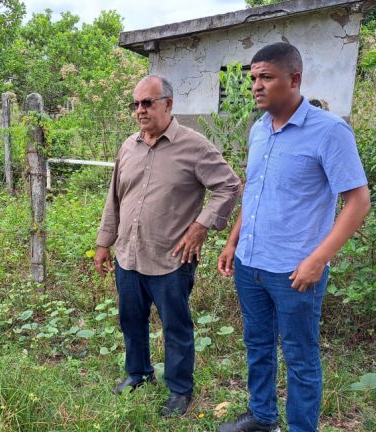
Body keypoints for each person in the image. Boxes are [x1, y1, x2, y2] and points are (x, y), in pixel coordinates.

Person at [215, 43, 371, 432]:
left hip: (295, 271)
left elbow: (358, 201)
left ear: (294, 79)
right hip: (250, 263)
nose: (256, 86)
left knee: (300, 356)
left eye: (266, 77)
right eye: (253, 78)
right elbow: (254, 190)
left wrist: (318, 259)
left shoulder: (329, 131)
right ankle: (262, 416)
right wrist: (233, 241)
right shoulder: (259, 130)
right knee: (258, 345)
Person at [95, 74, 240, 417]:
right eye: (136, 104)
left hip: (171, 258)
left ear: (168, 104)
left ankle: (179, 389)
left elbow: (229, 186)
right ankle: (138, 373)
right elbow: (114, 198)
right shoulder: (128, 146)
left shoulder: (194, 146)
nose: (140, 110)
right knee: (130, 319)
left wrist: (201, 226)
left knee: (176, 327)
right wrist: (104, 242)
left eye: (148, 102)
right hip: (129, 254)